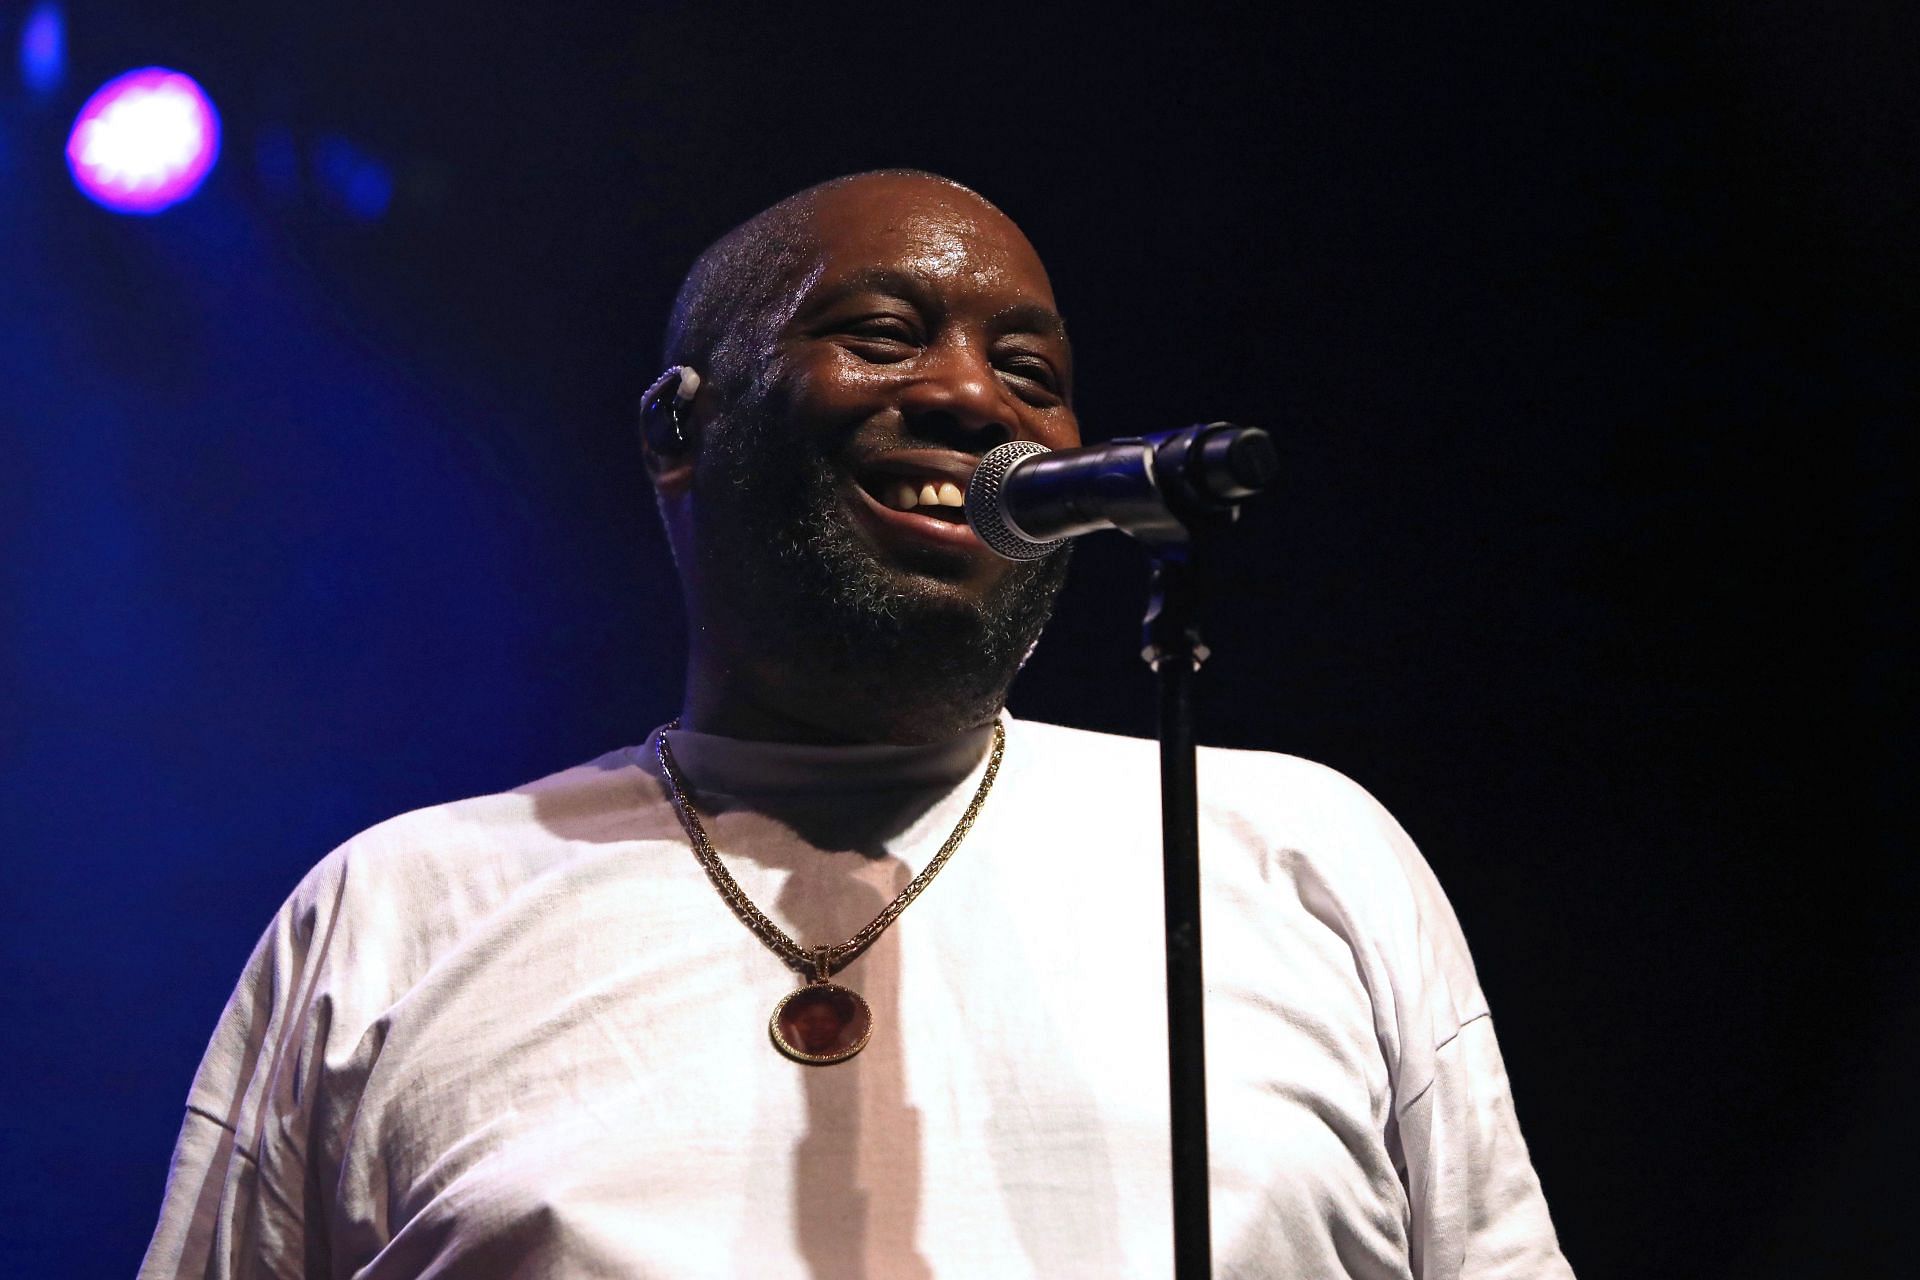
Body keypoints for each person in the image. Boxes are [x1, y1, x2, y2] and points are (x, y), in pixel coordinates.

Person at [140, 170, 1574, 1278]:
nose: (966, 396)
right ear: (676, 433)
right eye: (883, 336)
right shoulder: (399, 908)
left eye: (1030, 371)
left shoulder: (1290, 848)